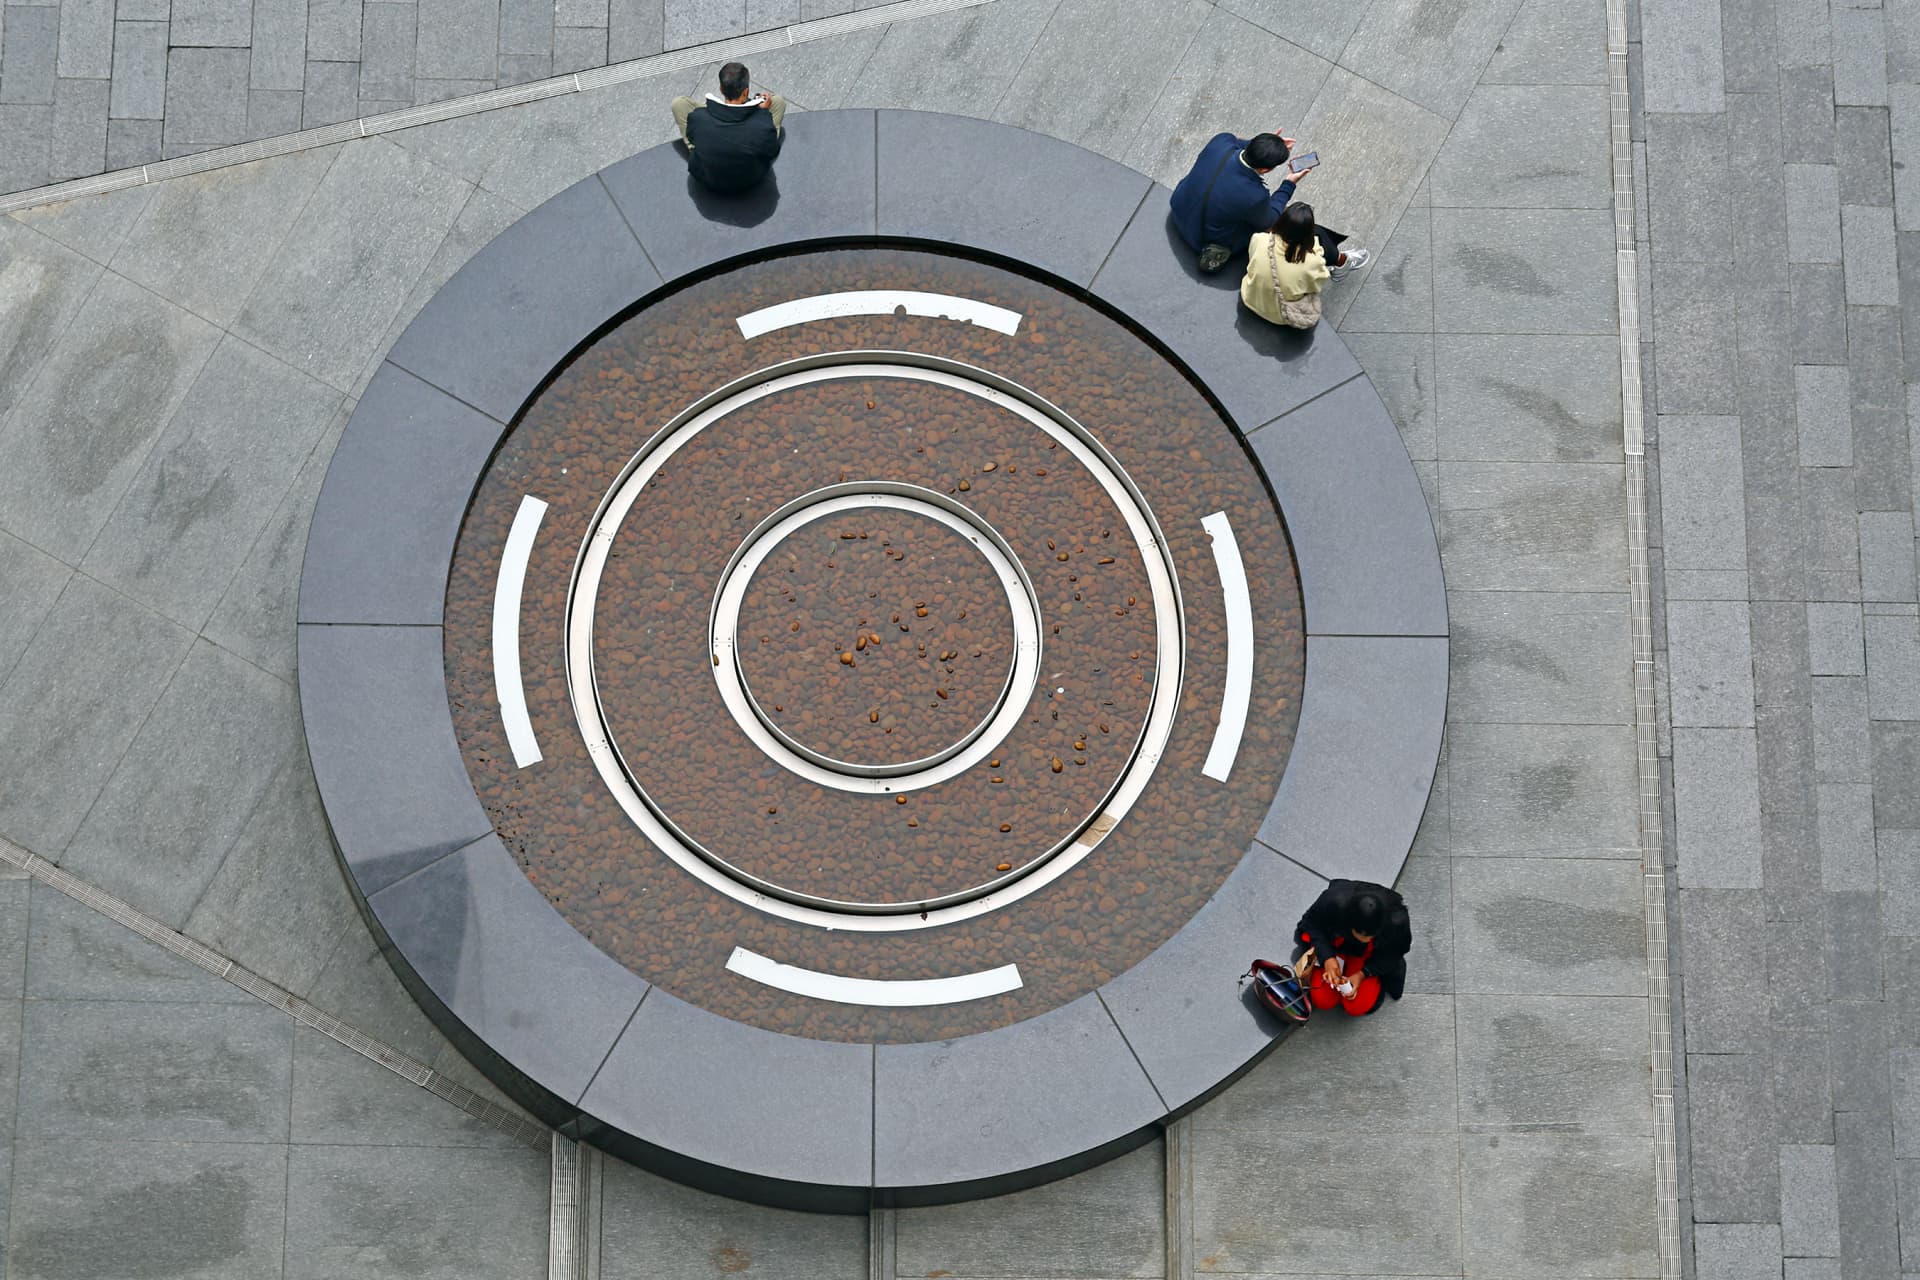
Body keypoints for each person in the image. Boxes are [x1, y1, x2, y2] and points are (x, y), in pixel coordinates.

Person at [1169, 130, 1369, 276]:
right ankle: (1338, 262)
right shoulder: (1253, 196)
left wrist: (1266, 147)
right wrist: (1289, 183)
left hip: (1180, 208)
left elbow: (1239, 143)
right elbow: (1270, 219)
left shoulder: (1220, 141)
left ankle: (1338, 259)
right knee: (1301, 226)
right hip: (1205, 240)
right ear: (1265, 170)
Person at [1290, 878, 1410, 1017]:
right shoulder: (1334, 902)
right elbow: (1311, 924)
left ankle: (1368, 977)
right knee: (1322, 999)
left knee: (1357, 1005)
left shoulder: (1396, 922)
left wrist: (1363, 973)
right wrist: (1328, 957)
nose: (1364, 938)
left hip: (1371, 954)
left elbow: (1392, 954)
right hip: (1336, 943)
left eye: (1369, 935)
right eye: (1359, 933)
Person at [1241, 202, 1364, 328]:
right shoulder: (1312, 262)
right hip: (1281, 313)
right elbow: (1315, 286)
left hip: (1251, 298)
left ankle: (1339, 258)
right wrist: (1316, 247)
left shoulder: (1259, 238)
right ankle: (1340, 262)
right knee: (1320, 236)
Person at [670, 63, 786, 194]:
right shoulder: (762, 124)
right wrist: (762, 112)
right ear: (746, 91)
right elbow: (772, 150)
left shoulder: (699, 118)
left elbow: (691, 134)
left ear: (721, 89)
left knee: (679, 104)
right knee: (778, 102)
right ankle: (744, 106)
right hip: (751, 179)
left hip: (708, 179)